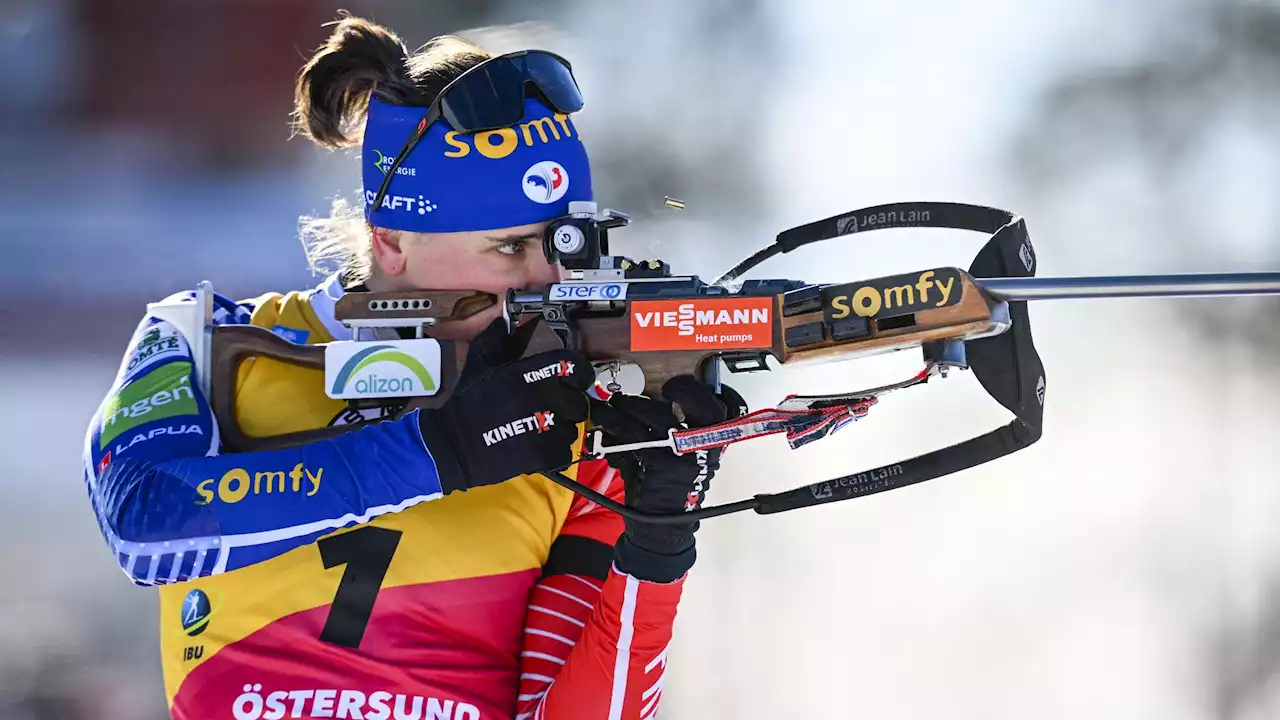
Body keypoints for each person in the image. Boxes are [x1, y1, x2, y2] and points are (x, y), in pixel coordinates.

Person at [81, 15, 743, 720]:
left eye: (560, 248)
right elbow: (143, 522)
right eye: (510, 248)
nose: (543, 278)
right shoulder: (200, 335)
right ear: (391, 241)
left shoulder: (574, 417)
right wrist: (442, 450)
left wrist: (657, 544)